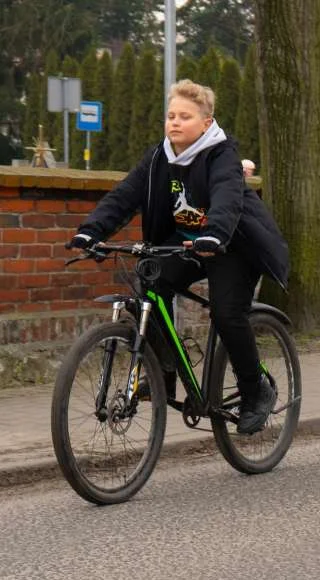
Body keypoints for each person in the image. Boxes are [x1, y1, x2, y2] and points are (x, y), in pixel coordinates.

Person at [68, 79, 290, 435]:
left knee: (226, 313)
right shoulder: (160, 157)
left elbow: (227, 197)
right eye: (170, 115)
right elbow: (125, 195)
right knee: (150, 283)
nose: (174, 122)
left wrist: (214, 234)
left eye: (184, 116)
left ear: (205, 122)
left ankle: (255, 390)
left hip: (231, 244)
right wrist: (90, 231)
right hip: (186, 243)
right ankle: (163, 372)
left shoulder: (222, 154)